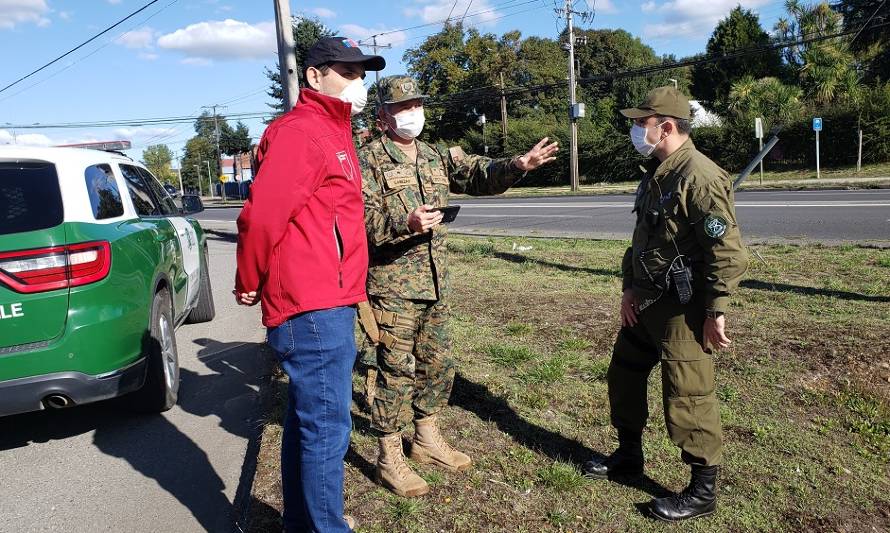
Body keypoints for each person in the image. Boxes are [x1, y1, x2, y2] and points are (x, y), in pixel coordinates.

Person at [357, 75, 559, 498]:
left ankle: (426, 438)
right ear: (382, 117)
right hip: (392, 286)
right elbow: (358, 223)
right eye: (402, 107)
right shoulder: (367, 160)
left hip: (436, 283)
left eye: (416, 103)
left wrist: (518, 166)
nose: (413, 112)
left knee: (438, 363)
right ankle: (388, 454)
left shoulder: (434, 154)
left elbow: (478, 175)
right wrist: (405, 222)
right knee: (395, 370)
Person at [234, 37, 384, 533]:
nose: (357, 83)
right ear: (315, 75)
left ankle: (301, 523)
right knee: (326, 431)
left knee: (308, 424)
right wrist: (249, 278)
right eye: (348, 71)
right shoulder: (304, 132)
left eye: (363, 74)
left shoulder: (333, 131)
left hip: (329, 299)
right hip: (313, 307)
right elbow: (263, 215)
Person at [582, 86, 748, 522]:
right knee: (625, 374)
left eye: (642, 123)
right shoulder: (657, 172)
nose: (636, 130)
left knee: (688, 393)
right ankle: (629, 456)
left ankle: (702, 489)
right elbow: (642, 241)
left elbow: (726, 252)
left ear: (667, 127)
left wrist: (716, 311)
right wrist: (628, 288)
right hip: (646, 300)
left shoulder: (700, 176)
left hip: (682, 308)